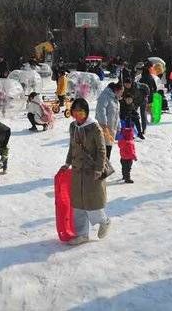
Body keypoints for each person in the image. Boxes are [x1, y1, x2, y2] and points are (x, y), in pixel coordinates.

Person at [60, 98, 111, 245]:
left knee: (91, 203)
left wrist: (99, 169)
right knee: (78, 204)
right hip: (77, 171)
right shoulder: (73, 127)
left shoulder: (95, 128)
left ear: (86, 112)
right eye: (74, 112)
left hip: (92, 170)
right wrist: (67, 163)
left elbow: (102, 150)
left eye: (80, 112)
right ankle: (82, 234)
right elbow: (72, 146)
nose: (76, 115)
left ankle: (105, 221)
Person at [96, 82, 122, 160]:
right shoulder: (105, 96)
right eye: (121, 92)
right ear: (117, 90)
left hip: (111, 128)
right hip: (104, 127)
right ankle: (101, 168)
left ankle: (105, 167)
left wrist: (118, 126)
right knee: (103, 148)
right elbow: (100, 110)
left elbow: (116, 114)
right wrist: (104, 123)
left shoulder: (115, 99)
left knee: (108, 148)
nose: (122, 94)